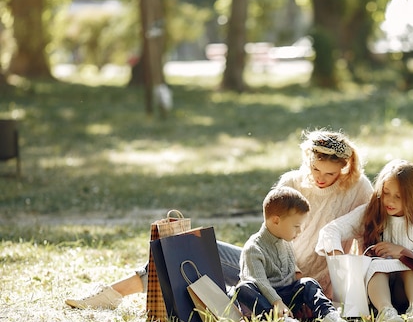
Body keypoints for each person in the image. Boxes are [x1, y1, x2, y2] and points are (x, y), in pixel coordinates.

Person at [65, 128, 373, 309]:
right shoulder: (291, 182)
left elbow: (366, 235)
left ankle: (223, 302)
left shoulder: (358, 188)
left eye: (330, 173)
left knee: (218, 290)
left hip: (306, 283)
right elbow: (268, 233)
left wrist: (351, 290)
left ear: (345, 167)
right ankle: (110, 295)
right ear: (308, 160)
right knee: (183, 249)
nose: (320, 178)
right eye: (316, 170)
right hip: (266, 267)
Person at [315, 159, 413, 322]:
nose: (389, 201)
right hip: (375, 292)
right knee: (377, 267)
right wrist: (338, 257)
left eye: (398, 196)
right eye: (386, 193)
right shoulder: (370, 212)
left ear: (412, 196)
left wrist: (402, 252)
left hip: (407, 290)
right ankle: (385, 311)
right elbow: (331, 230)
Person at [235, 186, 348, 322]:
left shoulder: (286, 242)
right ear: (276, 221)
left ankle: (329, 315)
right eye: (296, 226)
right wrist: (276, 302)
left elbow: (291, 274)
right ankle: (279, 321)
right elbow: (259, 281)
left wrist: (301, 296)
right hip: (265, 303)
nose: (300, 231)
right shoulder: (253, 248)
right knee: (244, 288)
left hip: (287, 298)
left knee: (307, 282)